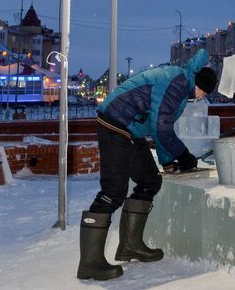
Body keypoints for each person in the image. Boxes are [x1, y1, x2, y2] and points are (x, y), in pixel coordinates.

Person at [77, 49, 217, 281]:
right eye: (203, 92)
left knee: (150, 180)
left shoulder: (181, 83)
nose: (202, 97)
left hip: (130, 129)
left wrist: (168, 162)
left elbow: (158, 124)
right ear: (198, 84)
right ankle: (90, 263)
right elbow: (162, 129)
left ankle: (130, 246)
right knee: (113, 192)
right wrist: (184, 157)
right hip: (116, 123)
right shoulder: (177, 83)